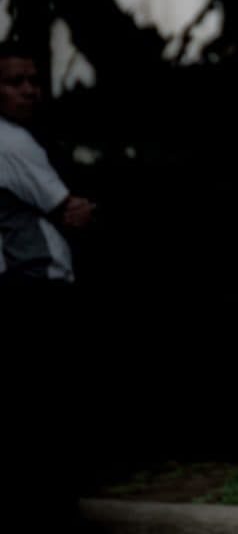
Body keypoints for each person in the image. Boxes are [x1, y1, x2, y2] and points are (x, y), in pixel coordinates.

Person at [0, 40, 97, 529]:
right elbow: (71, 211)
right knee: (48, 417)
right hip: (35, 290)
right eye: (15, 81)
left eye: (34, 80)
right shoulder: (11, 143)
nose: (29, 91)